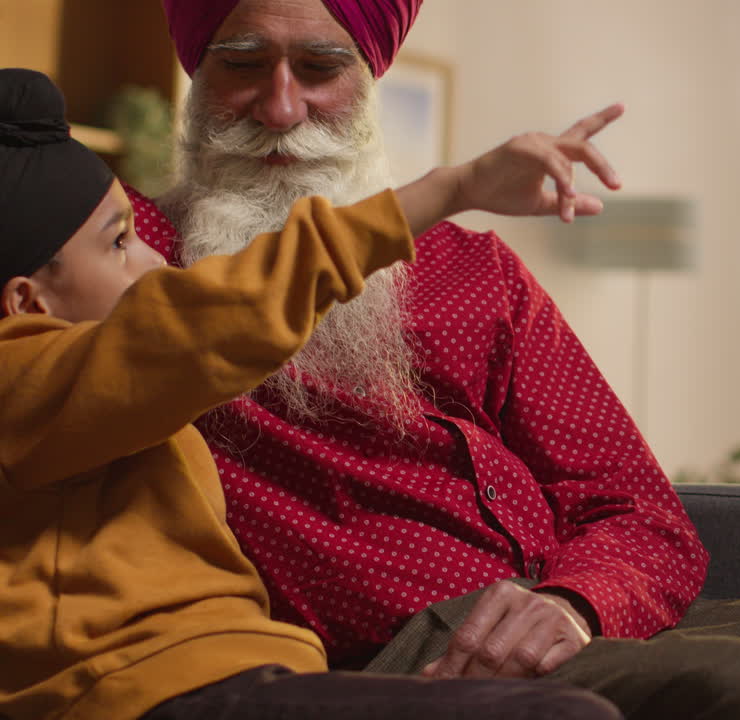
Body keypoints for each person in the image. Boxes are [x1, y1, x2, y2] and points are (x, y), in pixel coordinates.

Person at [139, 1, 740, 718]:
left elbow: (637, 509)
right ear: (192, 75)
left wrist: (571, 606)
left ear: (366, 82)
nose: (278, 107)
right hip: (396, 656)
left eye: (318, 67)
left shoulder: (471, 271)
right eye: (239, 63)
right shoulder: (126, 268)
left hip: (579, 624)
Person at [0, 67, 624, 720]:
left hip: (258, 675)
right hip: (142, 694)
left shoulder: (101, 396)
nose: (155, 260)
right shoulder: (17, 380)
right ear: (26, 302)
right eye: (120, 243)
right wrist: (452, 187)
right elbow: (210, 319)